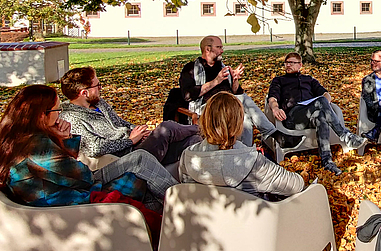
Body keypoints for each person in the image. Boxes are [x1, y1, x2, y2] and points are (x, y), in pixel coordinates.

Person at [0, 85, 178, 213]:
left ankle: (167, 218)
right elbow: (84, 177)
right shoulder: (36, 146)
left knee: (141, 164)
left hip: (65, 194)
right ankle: (182, 204)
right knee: (140, 169)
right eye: (57, 110)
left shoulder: (16, 139)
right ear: (42, 115)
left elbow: (65, 172)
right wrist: (64, 138)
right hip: (71, 205)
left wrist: (61, 138)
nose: (59, 115)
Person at [60, 67, 201, 166]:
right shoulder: (72, 118)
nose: (100, 89)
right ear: (84, 93)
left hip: (137, 143)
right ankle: (202, 127)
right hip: (125, 155)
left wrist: (141, 132)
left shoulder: (98, 103)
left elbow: (121, 123)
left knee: (194, 140)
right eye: (97, 86)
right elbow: (94, 148)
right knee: (166, 128)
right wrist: (130, 141)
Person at [180, 35, 301, 148]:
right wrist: (216, 81)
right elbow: (188, 95)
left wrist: (235, 80)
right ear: (207, 49)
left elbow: (236, 92)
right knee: (243, 99)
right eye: (219, 47)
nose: (222, 51)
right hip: (207, 109)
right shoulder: (191, 69)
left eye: (222, 47)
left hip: (229, 107)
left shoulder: (222, 67)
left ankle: (246, 154)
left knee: (246, 119)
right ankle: (274, 134)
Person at [179, 92, 304, 198]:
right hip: (250, 224)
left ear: (205, 121)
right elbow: (295, 185)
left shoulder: (187, 156)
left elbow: (187, 193)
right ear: (239, 124)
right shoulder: (253, 161)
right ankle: (274, 134)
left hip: (205, 224)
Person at [267, 52, 366, 175]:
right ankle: (345, 136)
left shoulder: (308, 80)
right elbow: (272, 98)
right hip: (293, 117)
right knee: (320, 102)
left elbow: (326, 95)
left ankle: (327, 162)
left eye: (292, 63)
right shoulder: (279, 80)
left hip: (310, 114)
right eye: (287, 63)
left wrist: (326, 107)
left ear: (300, 65)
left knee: (321, 116)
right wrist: (275, 108)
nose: (288, 65)